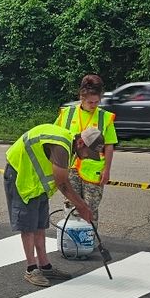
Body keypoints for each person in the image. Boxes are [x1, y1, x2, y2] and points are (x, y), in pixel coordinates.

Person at [3, 122, 104, 287]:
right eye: (88, 153)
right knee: (28, 226)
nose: (87, 157)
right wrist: (82, 206)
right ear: (81, 143)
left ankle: (45, 266)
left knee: (40, 225)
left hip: (35, 182)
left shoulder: (70, 145)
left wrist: (81, 205)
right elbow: (62, 183)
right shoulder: (62, 147)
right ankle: (31, 269)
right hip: (21, 175)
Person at [56, 74, 117, 221]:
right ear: (81, 96)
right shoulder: (67, 114)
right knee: (71, 206)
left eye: (97, 102)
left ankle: (89, 242)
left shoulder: (105, 117)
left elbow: (109, 146)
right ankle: (71, 241)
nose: (94, 105)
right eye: (90, 102)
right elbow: (56, 139)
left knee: (90, 209)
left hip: (93, 172)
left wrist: (107, 170)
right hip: (70, 169)